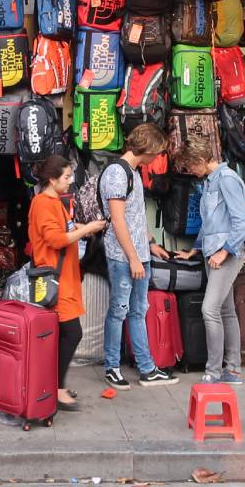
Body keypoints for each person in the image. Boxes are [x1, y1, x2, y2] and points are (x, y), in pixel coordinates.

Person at [100, 123, 178, 390]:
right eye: (156, 153)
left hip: (138, 253)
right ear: (146, 149)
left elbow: (135, 217)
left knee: (137, 310)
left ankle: (147, 368)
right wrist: (133, 257)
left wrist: (151, 244)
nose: (156, 159)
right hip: (123, 256)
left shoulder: (131, 172)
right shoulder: (116, 173)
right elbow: (119, 221)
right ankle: (112, 366)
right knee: (120, 310)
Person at [28, 155, 107, 410]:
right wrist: (86, 229)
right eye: (66, 177)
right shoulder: (43, 204)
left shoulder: (54, 201)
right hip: (55, 281)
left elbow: (66, 227)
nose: (71, 181)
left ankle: (53, 384)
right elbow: (56, 239)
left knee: (63, 334)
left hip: (65, 279)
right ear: (52, 179)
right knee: (72, 333)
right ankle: (57, 389)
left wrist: (86, 226)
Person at [174, 142, 245, 385]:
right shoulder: (208, 182)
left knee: (209, 309)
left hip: (226, 254)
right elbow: (209, 223)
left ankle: (214, 372)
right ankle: (233, 370)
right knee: (225, 310)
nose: (190, 171)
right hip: (212, 253)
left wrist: (224, 252)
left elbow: (241, 221)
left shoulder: (227, 179)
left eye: (190, 166)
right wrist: (194, 250)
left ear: (200, 160)